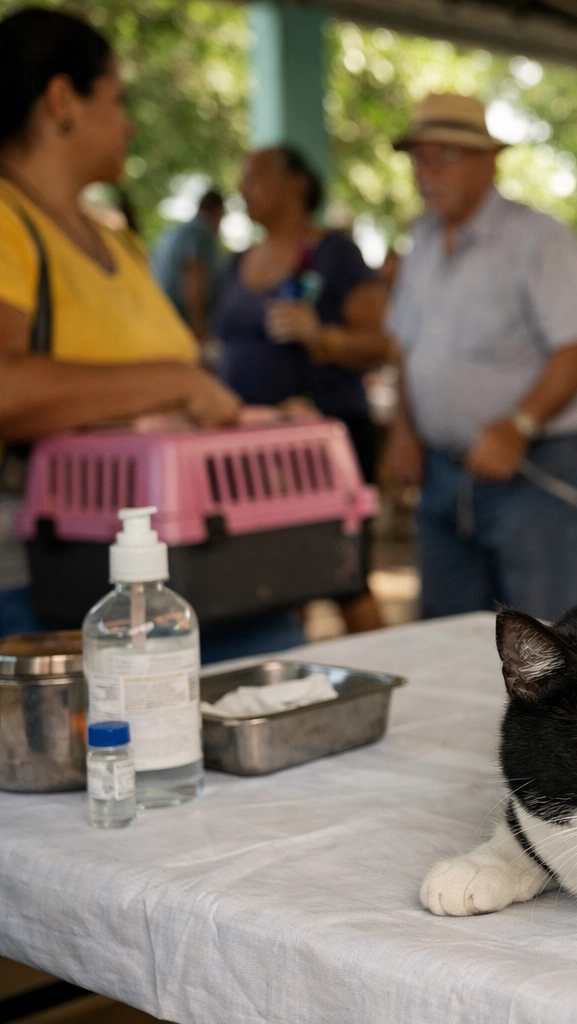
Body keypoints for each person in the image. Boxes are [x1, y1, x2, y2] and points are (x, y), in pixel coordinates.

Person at [0, 8, 241, 638]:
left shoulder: (118, 240)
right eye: (118, 99)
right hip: (53, 581)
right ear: (62, 100)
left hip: (176, 565)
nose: (130, 123)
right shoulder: (7, 223)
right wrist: (177, 382)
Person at [385, 93, 577, 623]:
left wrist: (518, 424)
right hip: (443, 473)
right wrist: (404, 429)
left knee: (552, 642)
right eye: (419, 157)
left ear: (488, 161)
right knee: (447, 638)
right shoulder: (421, 239)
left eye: (445, 155)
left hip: (532, 471)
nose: (427, 171)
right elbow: (404, 346)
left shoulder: (538, 239)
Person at [210, 144, 391, 637]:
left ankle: (383, 677)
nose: (245, 190)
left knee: (344, 574)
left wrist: (323, 336)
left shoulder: (336, 254)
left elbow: (381, 343)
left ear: (296, 183)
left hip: (325, 439)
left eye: (256, 177)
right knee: (269, 577)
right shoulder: (236, 262)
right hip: (248, 443)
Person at [151, 189, 223, 342]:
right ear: (218, 212)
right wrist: (199, 326)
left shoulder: (175, 231)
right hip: (180, 323)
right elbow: (194, 278)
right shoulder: (201, 231)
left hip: (159, 316)